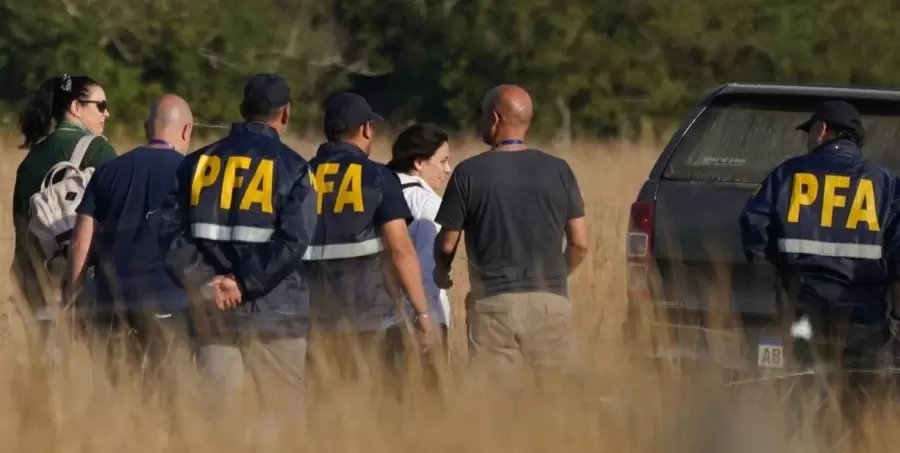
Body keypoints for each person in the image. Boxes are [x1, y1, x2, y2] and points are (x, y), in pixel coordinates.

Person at [157, 73, 318, 415]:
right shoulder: (295, 167)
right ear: (285, 114)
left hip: (212, 313)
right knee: (283, 422)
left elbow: (169, 233)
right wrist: (243, 283)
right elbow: (294, 240)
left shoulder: (195, 163)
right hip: (277, 314)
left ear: (243, 109)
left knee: (217, 422)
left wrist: (206, 282)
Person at [739, 100, 900, 414]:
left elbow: (753, 225)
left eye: (810, 130)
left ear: (823, 130)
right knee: (860, 400)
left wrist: (772, 272)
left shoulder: (787, 174)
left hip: (801, 314)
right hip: (863, 318)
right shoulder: (886, 184)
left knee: (797, 389)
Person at [432, 84, 589, 388]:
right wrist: (554, 276)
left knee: (499, 408)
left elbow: (448, 242)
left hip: (493, 304)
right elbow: (580, 243)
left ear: (494, 118)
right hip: (551, 302)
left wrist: (442, 270)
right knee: (555, 400)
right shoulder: (560, 170)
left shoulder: (468, 173)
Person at [302, 92, 437, 384]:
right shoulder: (378, 177)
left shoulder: (301, 175)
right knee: (382, 410)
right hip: (374, 321)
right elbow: (401, 250)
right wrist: (423, 314)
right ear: (366, 129)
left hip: (314, 321)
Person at [63, 94, 195, 377]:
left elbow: (80, 240)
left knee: (122, 398)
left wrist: (73, 299)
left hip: (112, 305)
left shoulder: (107, 171)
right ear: (186, 131)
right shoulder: (192, 173)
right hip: (170, 305)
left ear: (147, 127)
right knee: (170, 400)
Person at [12, 74, 117, 309]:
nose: (106, 114)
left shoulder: (31, 158)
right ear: (75, 108)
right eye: (101, 106)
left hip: (31, 283)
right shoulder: (99, 150)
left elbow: (21, 231)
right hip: (75, 287)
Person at [385, 123, 453, 344]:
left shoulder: (378, 192)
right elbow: (427, 270)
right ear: (419, 163)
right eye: (442, 161)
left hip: (380, 320)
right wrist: (427, 318)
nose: (448, 169)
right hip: (421, 323)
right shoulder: (428, 203)